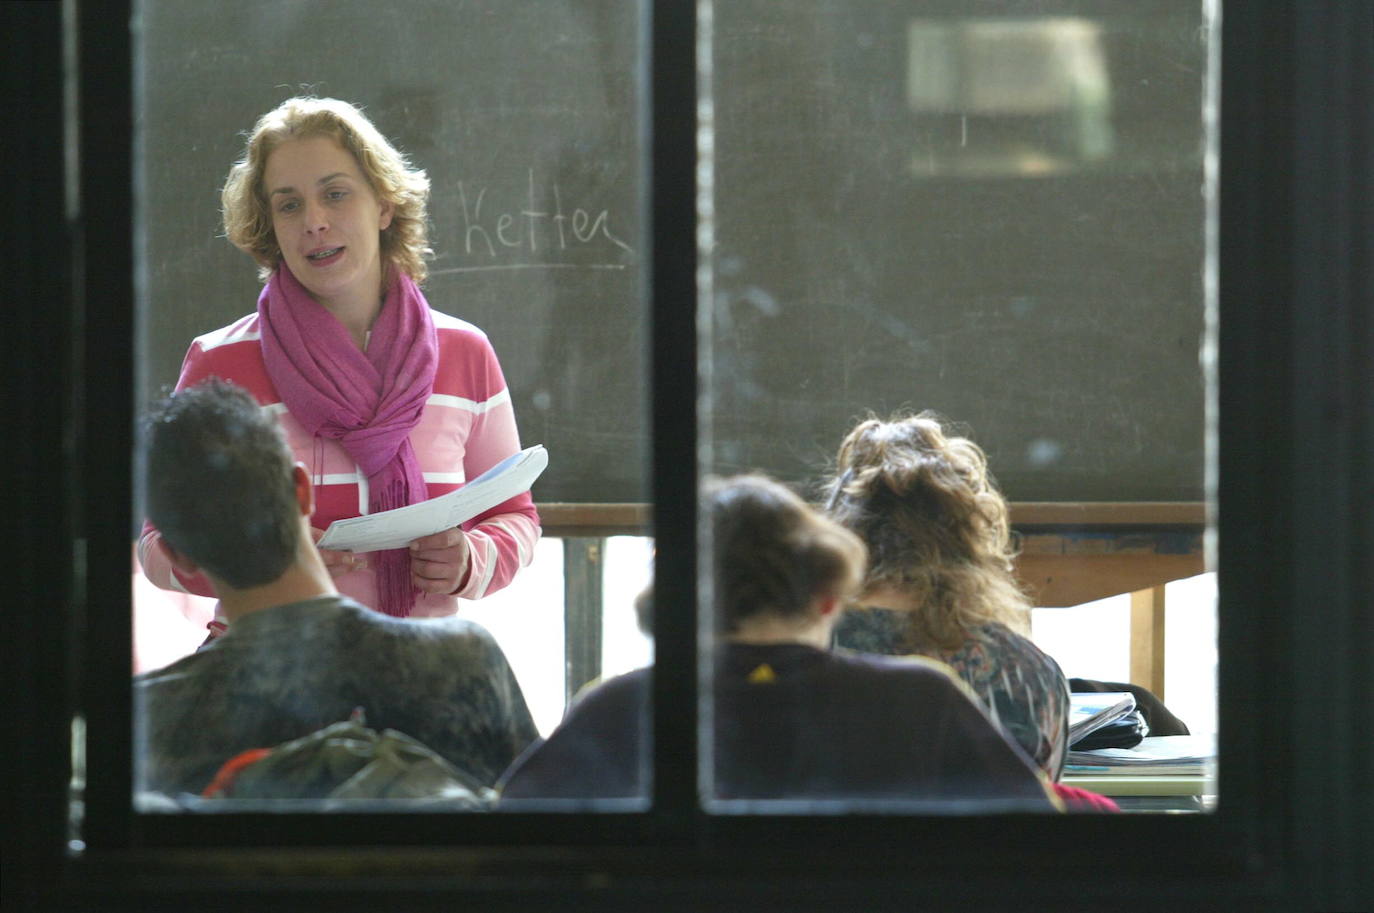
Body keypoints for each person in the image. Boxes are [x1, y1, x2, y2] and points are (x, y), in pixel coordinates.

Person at [138, 96, 540, 632]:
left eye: (335, 194)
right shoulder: (220, 362)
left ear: (384, 205)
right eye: (288, 205)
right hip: (269, 671)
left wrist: (470, 560)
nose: (315, 222)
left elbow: (515, 517)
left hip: (420, 668)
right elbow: (157, 545)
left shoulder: (465, 350)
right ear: (269, 227)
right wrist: (270, 569)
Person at [498, 474, 1056, 809]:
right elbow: (1034, 846)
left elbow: (513, 849)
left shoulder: (618, 707)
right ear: (830, 598)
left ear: (675, 604)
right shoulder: (923, 699)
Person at [134, 380, 538, 797]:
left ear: (176, 555)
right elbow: (536, 830)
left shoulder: (150, 719)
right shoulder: (462, 663)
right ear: (302, 491)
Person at [820, 411, 1071, 779]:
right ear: (971, 539)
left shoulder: (804, 650)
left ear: (840, 536)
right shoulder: (1028, 671)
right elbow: (1045, 802)